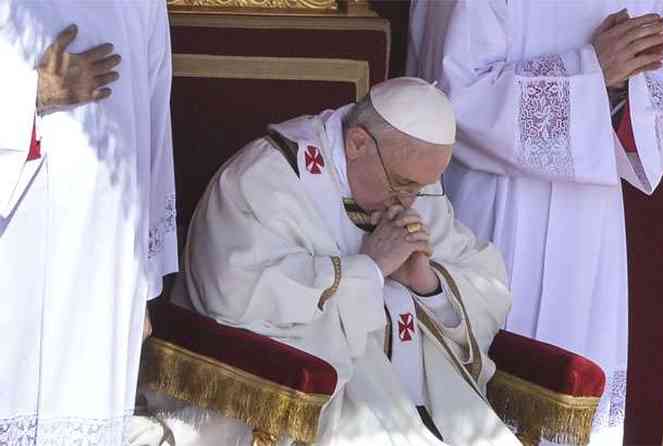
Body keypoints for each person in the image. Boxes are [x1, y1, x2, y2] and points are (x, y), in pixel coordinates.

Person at [179, 77, 519, 446]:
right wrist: (369, 269)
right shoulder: (262, 180)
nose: (409, 202)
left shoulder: (414, 185)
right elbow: (235, 299)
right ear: (357, 143)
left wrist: (427, 285)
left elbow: (487, 285)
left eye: (421, 188)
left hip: (415, 391)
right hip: (319, 391)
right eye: (402, 185)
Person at [407, 2, 663, 444]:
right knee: (480, 378)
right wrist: (589, 71)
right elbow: (451, 99)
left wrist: (619, 92)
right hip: (493, 208)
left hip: (590, 221)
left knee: (577, 388)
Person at [0, 2, 177, 444]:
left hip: (107, 260)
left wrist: (144, 284)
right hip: (17, 242)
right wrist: (32, 92)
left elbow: (154, 123)